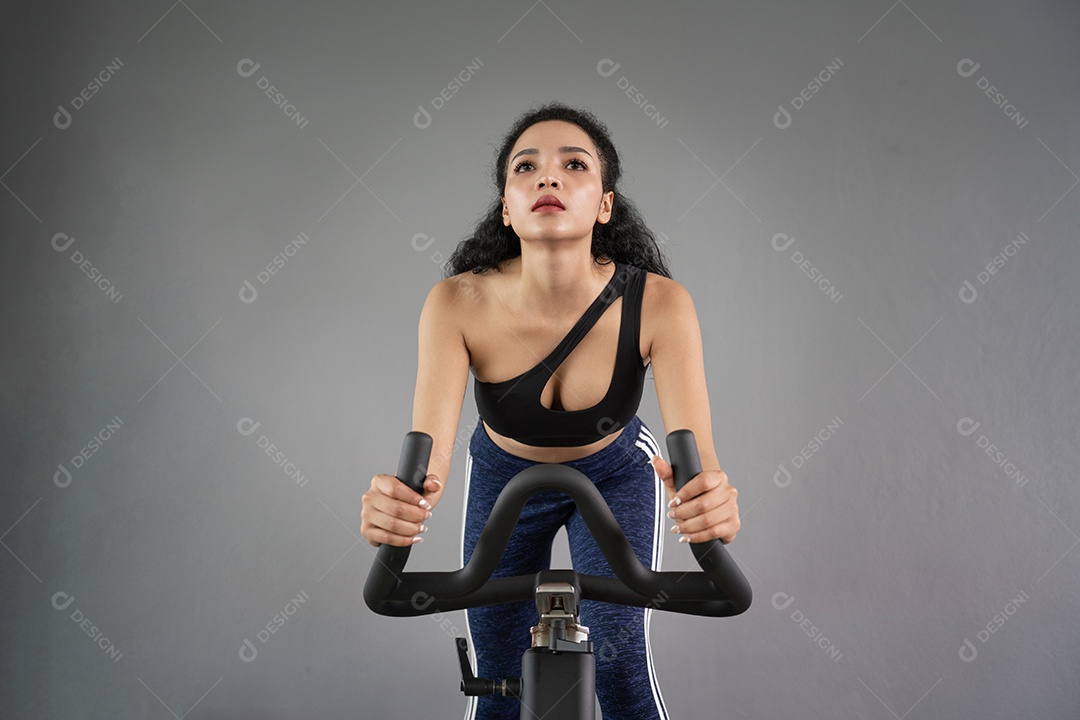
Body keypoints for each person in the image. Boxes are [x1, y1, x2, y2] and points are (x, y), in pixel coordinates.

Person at [360, 101, 740, 720]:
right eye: (526, 167)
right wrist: (395, 508)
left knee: (619, 667)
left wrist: (712, 503)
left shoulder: (660, 304)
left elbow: (701, 469)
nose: (548, 177)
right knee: (498, 672)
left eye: (574, 165)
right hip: (502, 477)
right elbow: (426, 462)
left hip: (614, 474)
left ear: (605, 204)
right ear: (507, 207)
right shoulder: (458, 302)